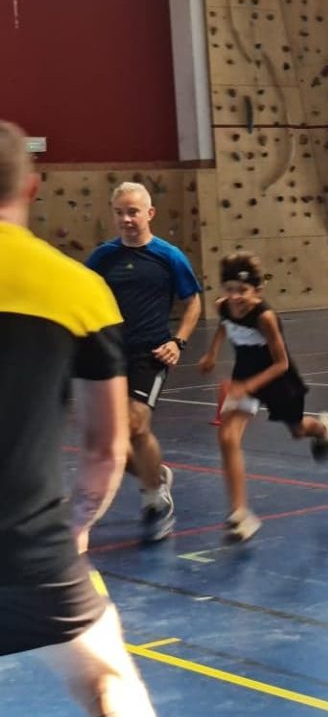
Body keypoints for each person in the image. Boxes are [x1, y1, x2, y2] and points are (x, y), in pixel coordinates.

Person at [0, 121, 185, 717]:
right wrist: (75, 526)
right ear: (32, 185)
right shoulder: (77, 287)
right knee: (108, 682)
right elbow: (107, 449)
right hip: (31, 547)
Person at [86, 182, 203, 543]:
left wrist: (178, 341)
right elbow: (84, 294)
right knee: (109, 443)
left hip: (150, 354)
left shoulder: (169, 256)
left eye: (133, 212)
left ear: (149, 213)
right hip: (109, 353)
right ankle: (156, 476)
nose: (126, 219)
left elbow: (193, 302)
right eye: (119, 212)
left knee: (136, 424)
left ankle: (154, 499)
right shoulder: (103, 257)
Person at [196, 252, 328, 542]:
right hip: (244, 374)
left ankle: (322, 428)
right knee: (227, 437)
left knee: (298, 431)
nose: (236, 297)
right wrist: (211, 353)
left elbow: (281, 363)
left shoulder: (265, 318)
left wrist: (249, 386)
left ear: (257, 291)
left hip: (277, 380)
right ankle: (240, 514)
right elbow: (223, 324)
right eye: (230, 289)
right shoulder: (223, 306)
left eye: (243, 290)